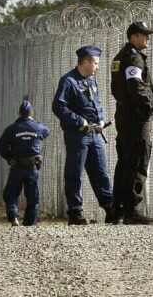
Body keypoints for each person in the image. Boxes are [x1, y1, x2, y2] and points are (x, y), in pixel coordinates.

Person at [52, 45, 118, 225]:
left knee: (101, 173)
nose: (97, 66)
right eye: (95, 63)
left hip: (95, 134)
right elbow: (58, 107)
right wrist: (78, 120)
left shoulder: (91, 80)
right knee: (75, 173)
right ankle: (75, 212)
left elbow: (96, 104)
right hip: (78, 135)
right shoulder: (68, 81)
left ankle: (110, 208)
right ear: (86, 61)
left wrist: (102, 120)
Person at [109, 21, 153, 225]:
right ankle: (132, 209)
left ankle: (117, 209)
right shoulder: (133, 57)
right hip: (135, 115)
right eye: (144, 35)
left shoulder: (120, 57)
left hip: (124, 112)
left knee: (125, 161)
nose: (148, 38)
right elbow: (136, 86)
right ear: (134, 36)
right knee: (138, 158)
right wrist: (149, 106)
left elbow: (115, 88)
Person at [0, 99, 51, 226]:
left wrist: (9, 157)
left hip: (17, 167)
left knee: (11, 193)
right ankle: (29, 224)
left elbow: (1, 146)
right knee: (33, 197)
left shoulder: (11, 129)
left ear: (19, 113)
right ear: (31, 112)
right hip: (32, 167)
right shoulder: (38, 127)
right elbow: (47, 131)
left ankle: (13, 217)